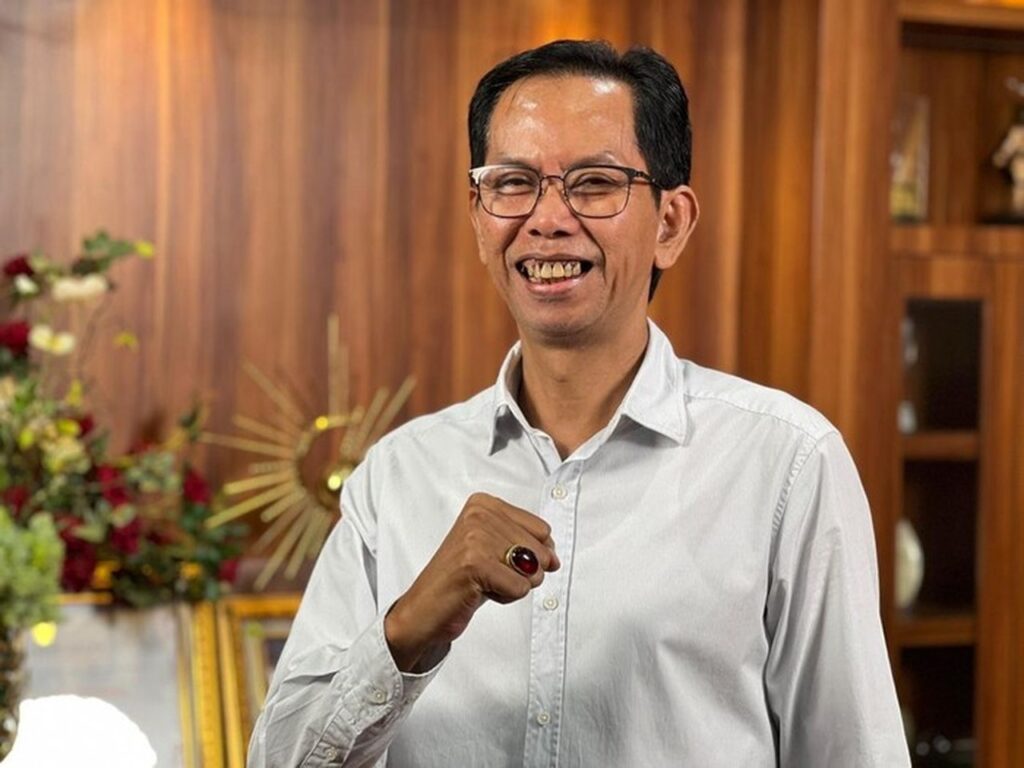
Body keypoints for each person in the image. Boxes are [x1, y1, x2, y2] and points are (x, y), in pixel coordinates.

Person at [249, 40, 910, 767]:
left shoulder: (786, 464)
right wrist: (408, 629)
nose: (547, 219)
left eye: (594, 184)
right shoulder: (397, 477)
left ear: (670, 223)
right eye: (513, 183)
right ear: (478, 217)